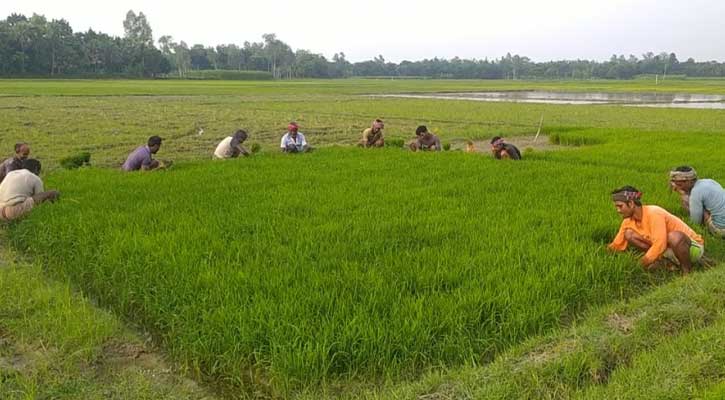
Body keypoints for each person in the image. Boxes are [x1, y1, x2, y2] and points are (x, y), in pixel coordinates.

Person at [608, 186, 704, 274]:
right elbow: (617, 244)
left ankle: (686, 270)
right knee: (629, 234)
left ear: (631, 203)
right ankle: (667, 263)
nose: (618, 210)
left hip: (692, 248)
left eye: (620, 206)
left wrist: (642, 263)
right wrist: (602, 253)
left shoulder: (654, 213)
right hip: (669, 250)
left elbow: (660, 244)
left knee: (674, 236)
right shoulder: (627, 221)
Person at [669, 166, 725, 238]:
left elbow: (695, 222)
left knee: (699, 208)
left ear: (689, 181)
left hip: (721, 230)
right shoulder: (709, 181)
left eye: (680, 185)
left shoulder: (696, 192)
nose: (679, 188)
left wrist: (683, 196)